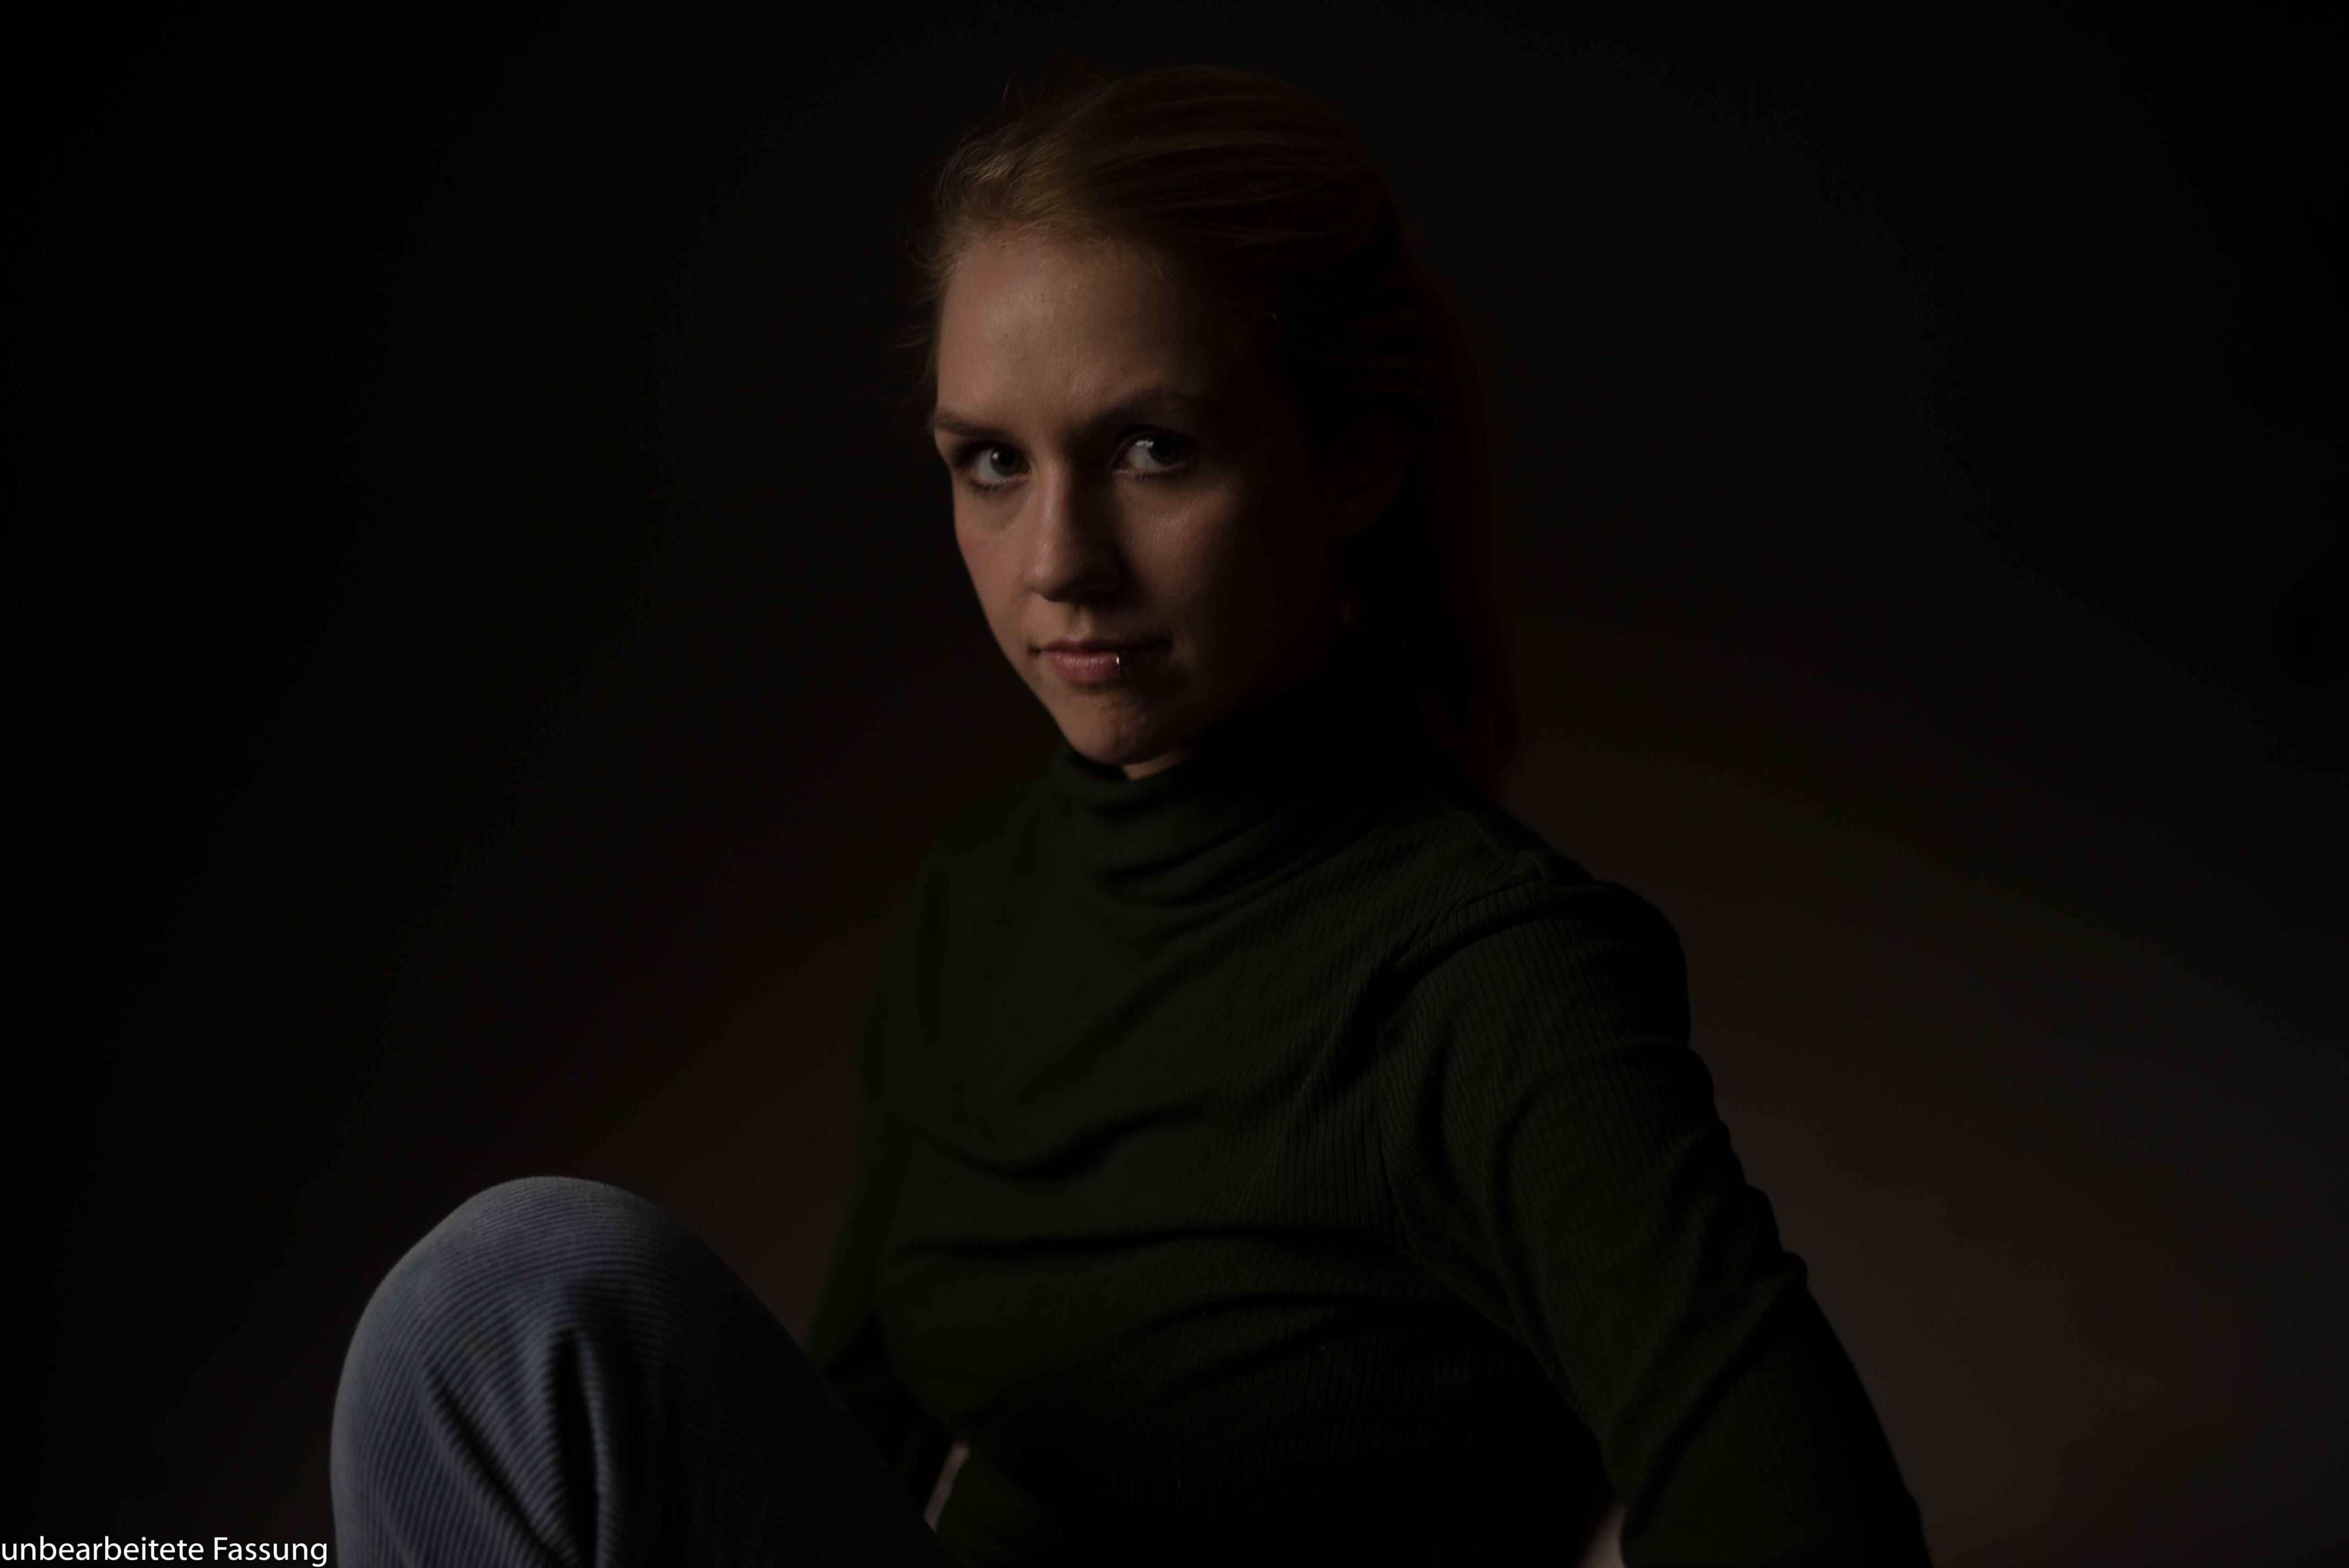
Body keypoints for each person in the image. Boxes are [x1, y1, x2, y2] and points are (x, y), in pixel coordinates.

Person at [329, 63, 1932, 1567]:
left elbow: (1808, 1519)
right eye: (990, 463)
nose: (1058, 563)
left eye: (1153, 451)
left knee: (522, 1275)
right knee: (515, 1310)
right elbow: (848, 1441)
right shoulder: (980, 906)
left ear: (1356, 462)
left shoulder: (1488, 981)